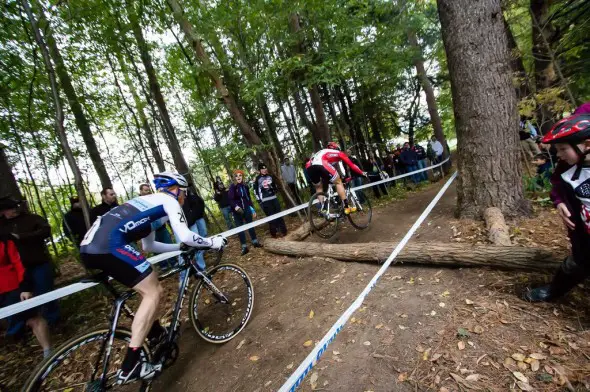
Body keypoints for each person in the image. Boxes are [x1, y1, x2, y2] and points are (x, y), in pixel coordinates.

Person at [80, 172, 226, 384]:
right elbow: (185, 234)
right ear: (178, 190)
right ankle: (131, 365)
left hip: (90, 247)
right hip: (108, 244)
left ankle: (154, 332)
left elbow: (149, 246)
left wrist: (179, 248)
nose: (184, 197)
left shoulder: (148, 204)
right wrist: (212, 242)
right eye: (184, 193)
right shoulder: (168, 200)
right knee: (153, 291)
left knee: (147, 284)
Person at [523, 113, 590, 302]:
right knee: (576, 263)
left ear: (587, 145)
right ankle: (554, 290)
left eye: (562, 149)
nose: (558, 154)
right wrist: (559, 202)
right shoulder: (567, 170)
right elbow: (557, 188)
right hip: (584, 236)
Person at [0, 198, 59, 327]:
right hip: (15, 270)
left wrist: (22, 236)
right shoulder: (2, 226)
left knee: (45, 292)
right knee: (19, 298)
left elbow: (46, 231)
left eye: (15, 207)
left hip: (37, 263)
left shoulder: (32, 218)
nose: (14, 210)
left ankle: (52, 321)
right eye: (9, 209)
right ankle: (26, 325)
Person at [0, 234, 52, 358]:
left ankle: (49, 353)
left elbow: (19, 264)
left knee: (32, 318)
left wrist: (25, 288)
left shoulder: (6, 240)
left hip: (13, 288)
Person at [305, 141, 367, 215]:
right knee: (338, 182)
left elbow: (327, 169)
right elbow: (352, 165)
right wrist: (361, 173)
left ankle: (322, 209)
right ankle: (346, 207)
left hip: (309, 167)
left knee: (318, 187)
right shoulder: (339, 153)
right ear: (337, 148)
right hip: (321, 163)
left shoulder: (323, 151)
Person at [228, 169, 262, 255]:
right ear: (234, 178)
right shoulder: (232, 187)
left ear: (242, 177)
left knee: (250, 225)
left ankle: (255, 242)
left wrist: (252, 209)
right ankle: (244, 247)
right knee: (240, 229)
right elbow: (230, 200)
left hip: (246, 208)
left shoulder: (245, 186)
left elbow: (248, 199)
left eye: (240, 175)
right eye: (236, 176)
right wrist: (236, 207)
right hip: (237, 211)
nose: (238, 177)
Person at [254, 163, 288, 238]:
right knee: (271, 217)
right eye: (262, 169)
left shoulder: (270, 177)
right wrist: (260, 201)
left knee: (279, 215)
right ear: (259, 170)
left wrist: (275, 189)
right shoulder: (257, 179)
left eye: (265, 168)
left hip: (274, 198)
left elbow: (275, 186)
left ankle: (284, 231)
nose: (264, 170)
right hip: (265, 201)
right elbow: (255, 191)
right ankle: (274, 234)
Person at [182, 188, 207, 269]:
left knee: (197, 244)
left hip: (192, 223)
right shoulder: (171, 197)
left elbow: (199, 203)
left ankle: (201, 268)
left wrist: (194, 216)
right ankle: (184, 274)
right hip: (181, 226)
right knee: (183, 249)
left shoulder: (189, 194)